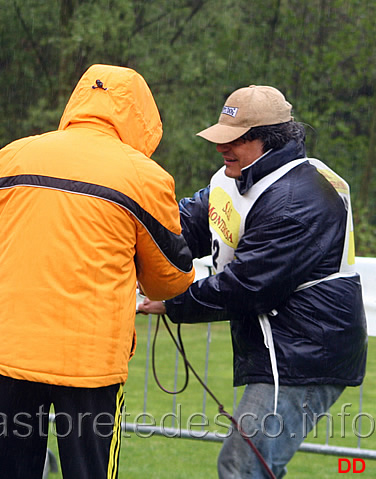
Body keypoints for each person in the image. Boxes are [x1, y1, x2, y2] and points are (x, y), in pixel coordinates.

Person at [0, 64, 195, 479]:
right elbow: (169, 277)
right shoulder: (144, 176)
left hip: (12, 348)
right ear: (141, 117)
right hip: (91, 361)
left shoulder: (14, 154)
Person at [137, 85, 368, 478]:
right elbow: (184, 227)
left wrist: (173, 301)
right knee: (252, 466)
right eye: (222, 137)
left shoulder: (298, 199)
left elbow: (247, 287)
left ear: (271, 141)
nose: (221, 148)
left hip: (307, 354)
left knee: (244, 465)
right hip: (284, 346)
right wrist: (130, 237)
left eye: (237, 139)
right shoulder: (234, 177)